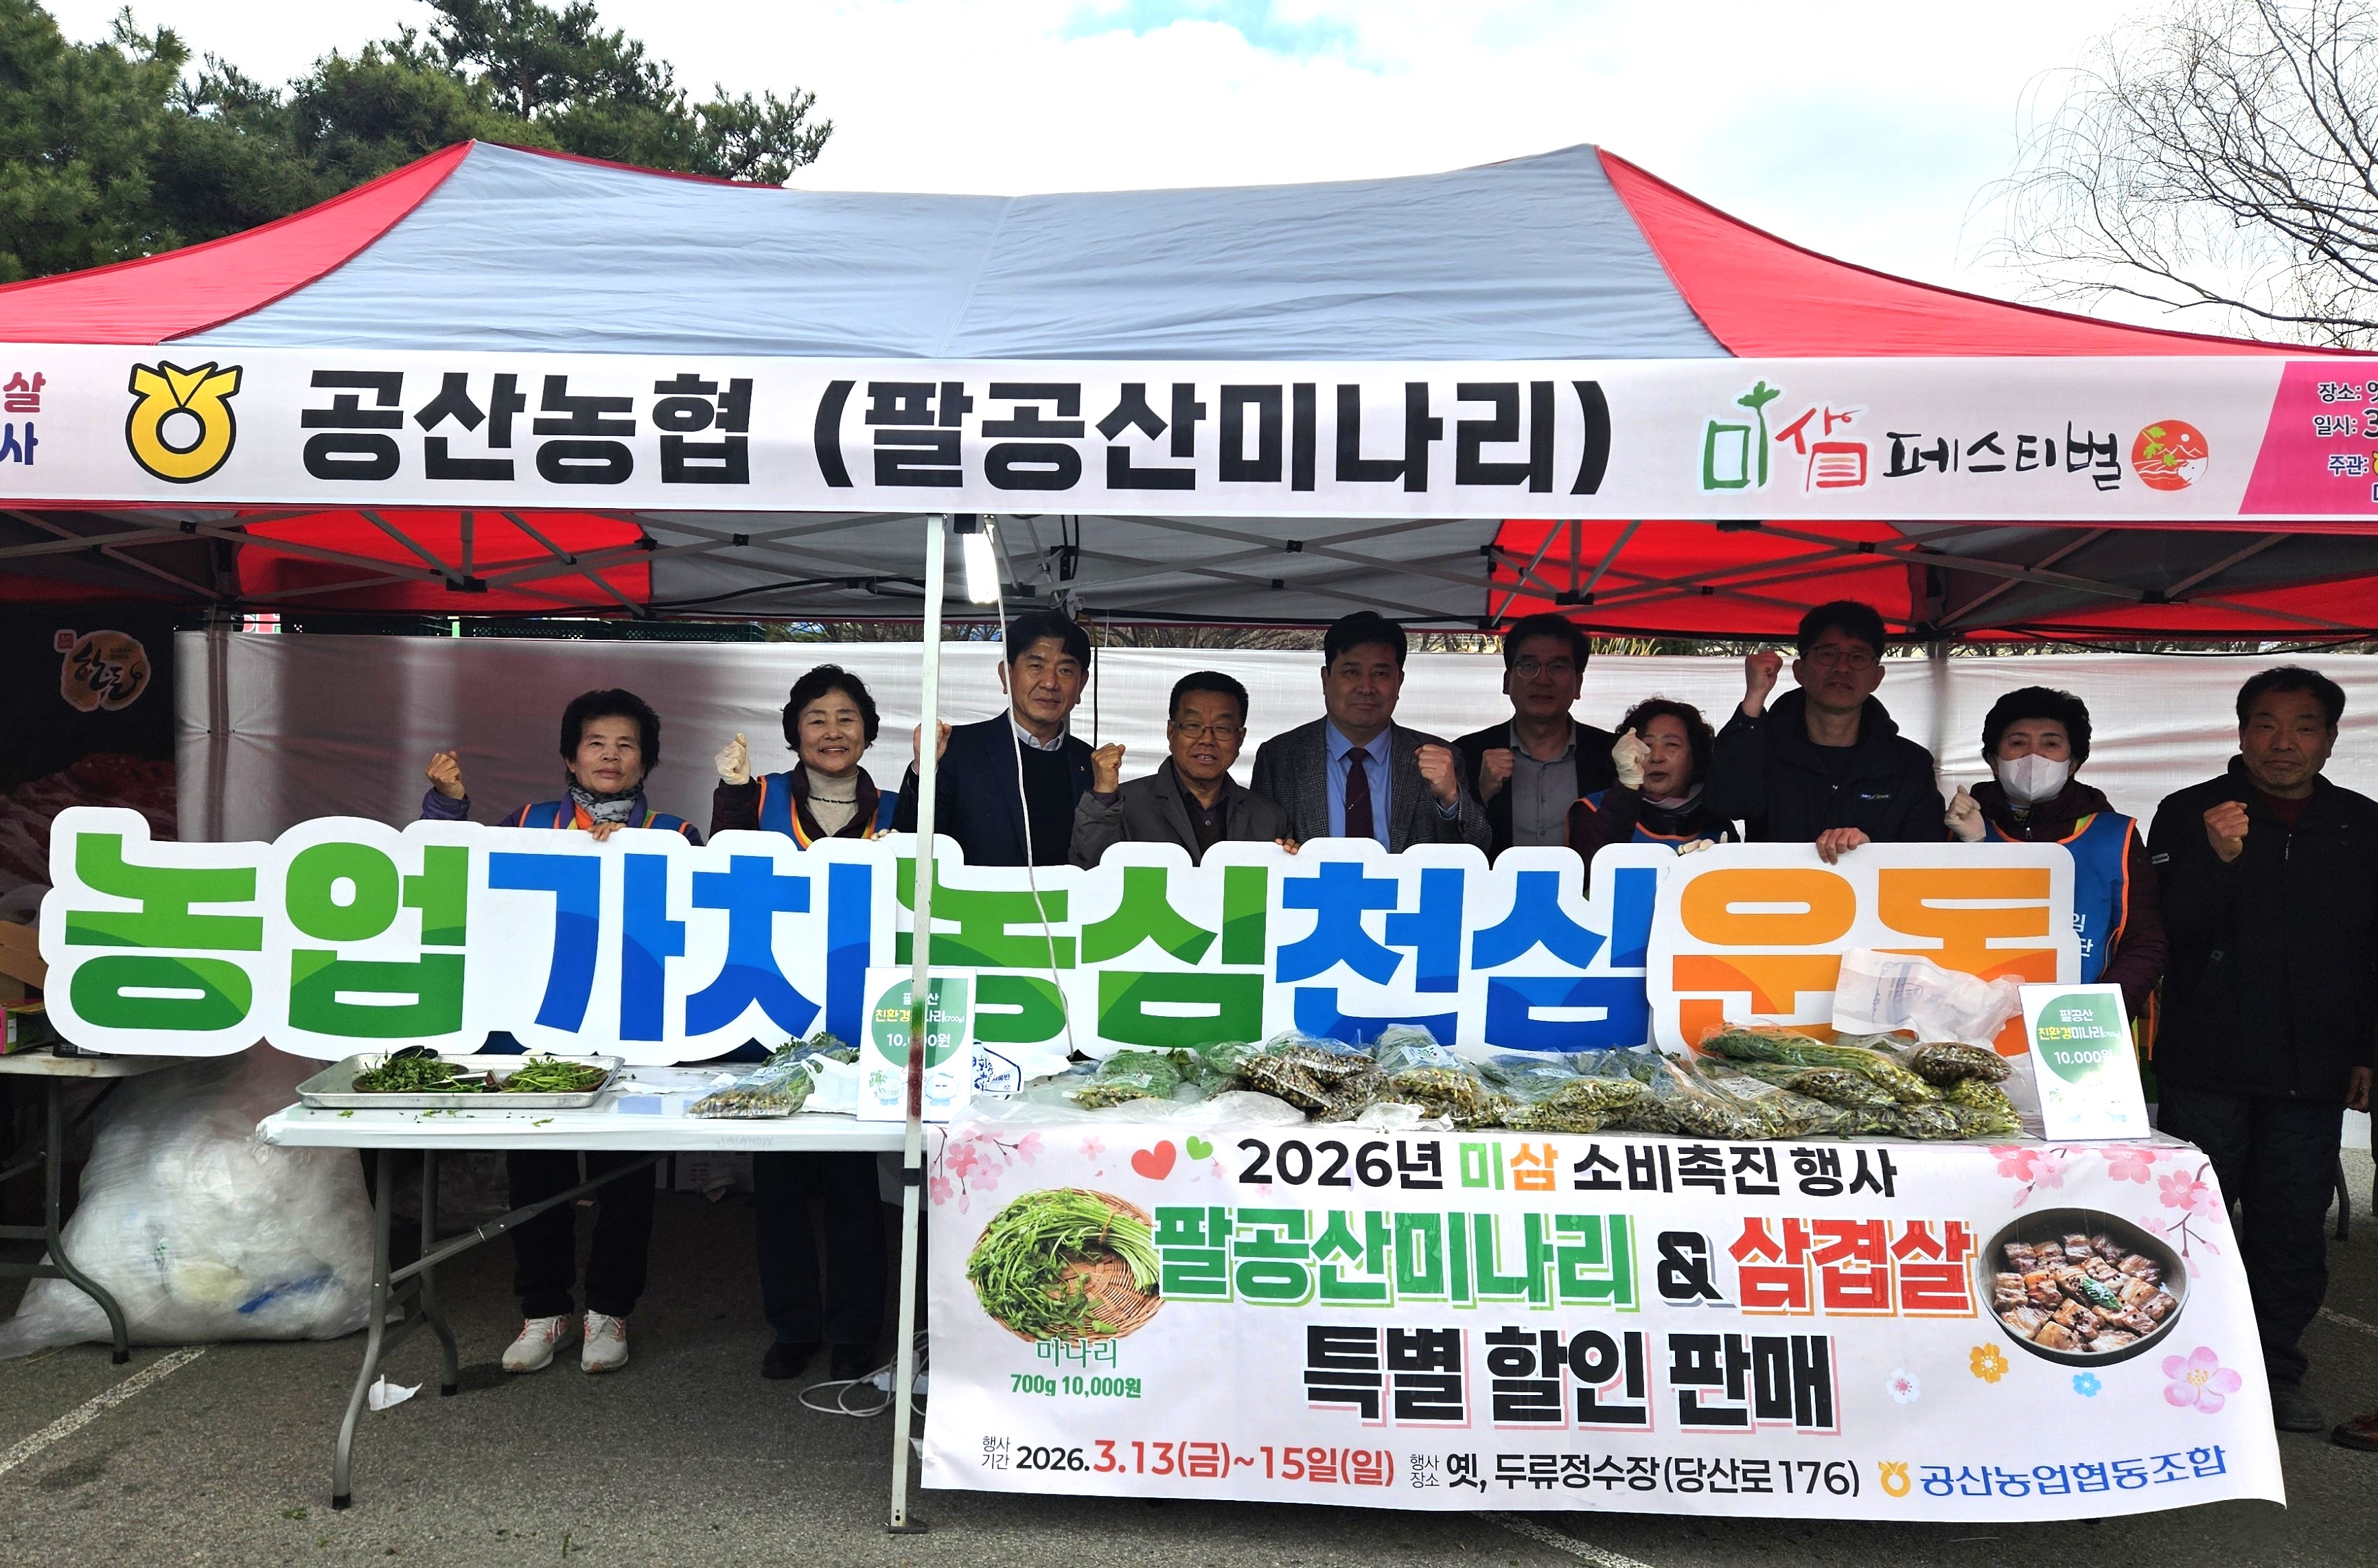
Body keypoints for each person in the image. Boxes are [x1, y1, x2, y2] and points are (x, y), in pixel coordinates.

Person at [419, 689, 697, 1376]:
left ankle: (609, 1311)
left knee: (625, 1180)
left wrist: (631, 859)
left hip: (634, 1034)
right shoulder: (528, 823)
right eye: (596, 743)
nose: (611, 756)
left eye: (627, 745)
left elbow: (703, 925)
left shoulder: (675, 834)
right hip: (538, 1031)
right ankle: (543, 1312)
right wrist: (448, 806)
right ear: (570, 757)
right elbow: (461, 875)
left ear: (645, 762)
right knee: (535, 1175)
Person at [2147, 667, 2378, 1436]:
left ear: (2330, 738)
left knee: (2290, 1226)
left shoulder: (2360, 824)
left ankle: (2274, 1373)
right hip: (2207, 1061)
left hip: (2313, 1067)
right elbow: (2169, 933)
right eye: (2266, 724)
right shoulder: (2189, 812)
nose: (2283, 742)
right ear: (2241, 732)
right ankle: (2174, 1369)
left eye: (2303, 726)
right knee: (2191, 1222)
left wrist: (2367, 1049)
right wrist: (2218, 858)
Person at [708, 667, 890, 1386]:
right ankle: (792, 1327)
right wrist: (729, 794)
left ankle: (854, 1330)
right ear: (794, 731)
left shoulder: (898, 806)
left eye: (846, 718)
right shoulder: (756, 798)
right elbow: (719, 879)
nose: (832, 731)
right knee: (778, 1181)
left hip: (858, 1018)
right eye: (816, 718)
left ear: (867, 732)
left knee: (854, 1185)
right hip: (772, 1015)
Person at [1943, 687, 2165, 1015]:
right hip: (1975, 1023)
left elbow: (2145, 943)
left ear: (2073, 762)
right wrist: (1972, 848)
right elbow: (1939, 929)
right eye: (2018, 743)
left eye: (2051, 744)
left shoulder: (2116, 836)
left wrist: (2099, 1013)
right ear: (1993, 760)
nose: (2034, 757)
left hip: (2080, 1022)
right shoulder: (1959, 828)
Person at [1703, 599, 1945, 862]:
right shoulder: (1762, 747)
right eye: (1828, 654)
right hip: (1775, 888)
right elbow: (1728, 803)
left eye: (1858, 657)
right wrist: (1754, 697)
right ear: (1800, 670)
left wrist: (1871, 853)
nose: (1842, 667)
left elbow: (1928, 858)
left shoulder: (1911, 765)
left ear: (1877, 677)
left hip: (1877, 889)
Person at [1250, 611, 1490, 853]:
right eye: (1351, 672)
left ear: (1399, 682)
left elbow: (1478, 853)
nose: (1366, 687)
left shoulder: (1442, 757)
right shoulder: (1278, 758)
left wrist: (1451, 798)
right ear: (1326, 680)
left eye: (1380, 674)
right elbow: (1256, 851)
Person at [893, 610, 1096, 866]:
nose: (1050, 683)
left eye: (1065, 670)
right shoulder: (957, 749)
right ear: (1006, 676)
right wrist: (922, 770)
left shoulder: (1089, 763)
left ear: (1081, 684)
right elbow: (910, 843)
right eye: (1036, 666)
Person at [1069, 671, 1293, 866]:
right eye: (1193, 726)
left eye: (1222, 728)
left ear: (1240, 738)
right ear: (1171, 731)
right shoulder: (1122, 806)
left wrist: (1295, 861)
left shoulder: (1269, 818)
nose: (1207, 740)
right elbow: (1091, 872)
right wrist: (1104, 796)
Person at [1453, 614, 1618, 856]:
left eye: (1558, 667)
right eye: (1529, 666)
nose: (1543, 680)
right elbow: (1445, 843)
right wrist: (1481, 793)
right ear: (1507, 681)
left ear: (1578, 684)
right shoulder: (1465, 754)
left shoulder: (1613, 756)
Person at [1567, 697, 1733, 874]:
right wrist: (1627, 787)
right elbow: (1593, 870)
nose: (1656, 757)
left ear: (1696, 756)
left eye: (1672, 745)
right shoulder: (1595, 808)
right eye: (1646, 746)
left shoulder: (1716, 819)